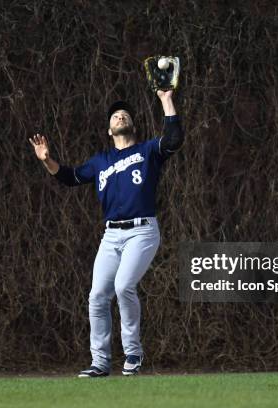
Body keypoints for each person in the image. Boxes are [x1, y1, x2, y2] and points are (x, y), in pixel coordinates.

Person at [29, 90, 184, 377]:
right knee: (98, 296)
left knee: (124, 285)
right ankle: (100, 363)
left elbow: (174, 139)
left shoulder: (148, 151)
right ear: (108, 129)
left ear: (132, 126)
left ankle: (133, 353)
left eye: (124, 114)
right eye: (115, 115)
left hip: (142, 231)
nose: (120, 116)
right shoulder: (101, 161)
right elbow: (70, 177)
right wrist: (47, 160)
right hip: (111, 236)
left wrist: (165, 100)